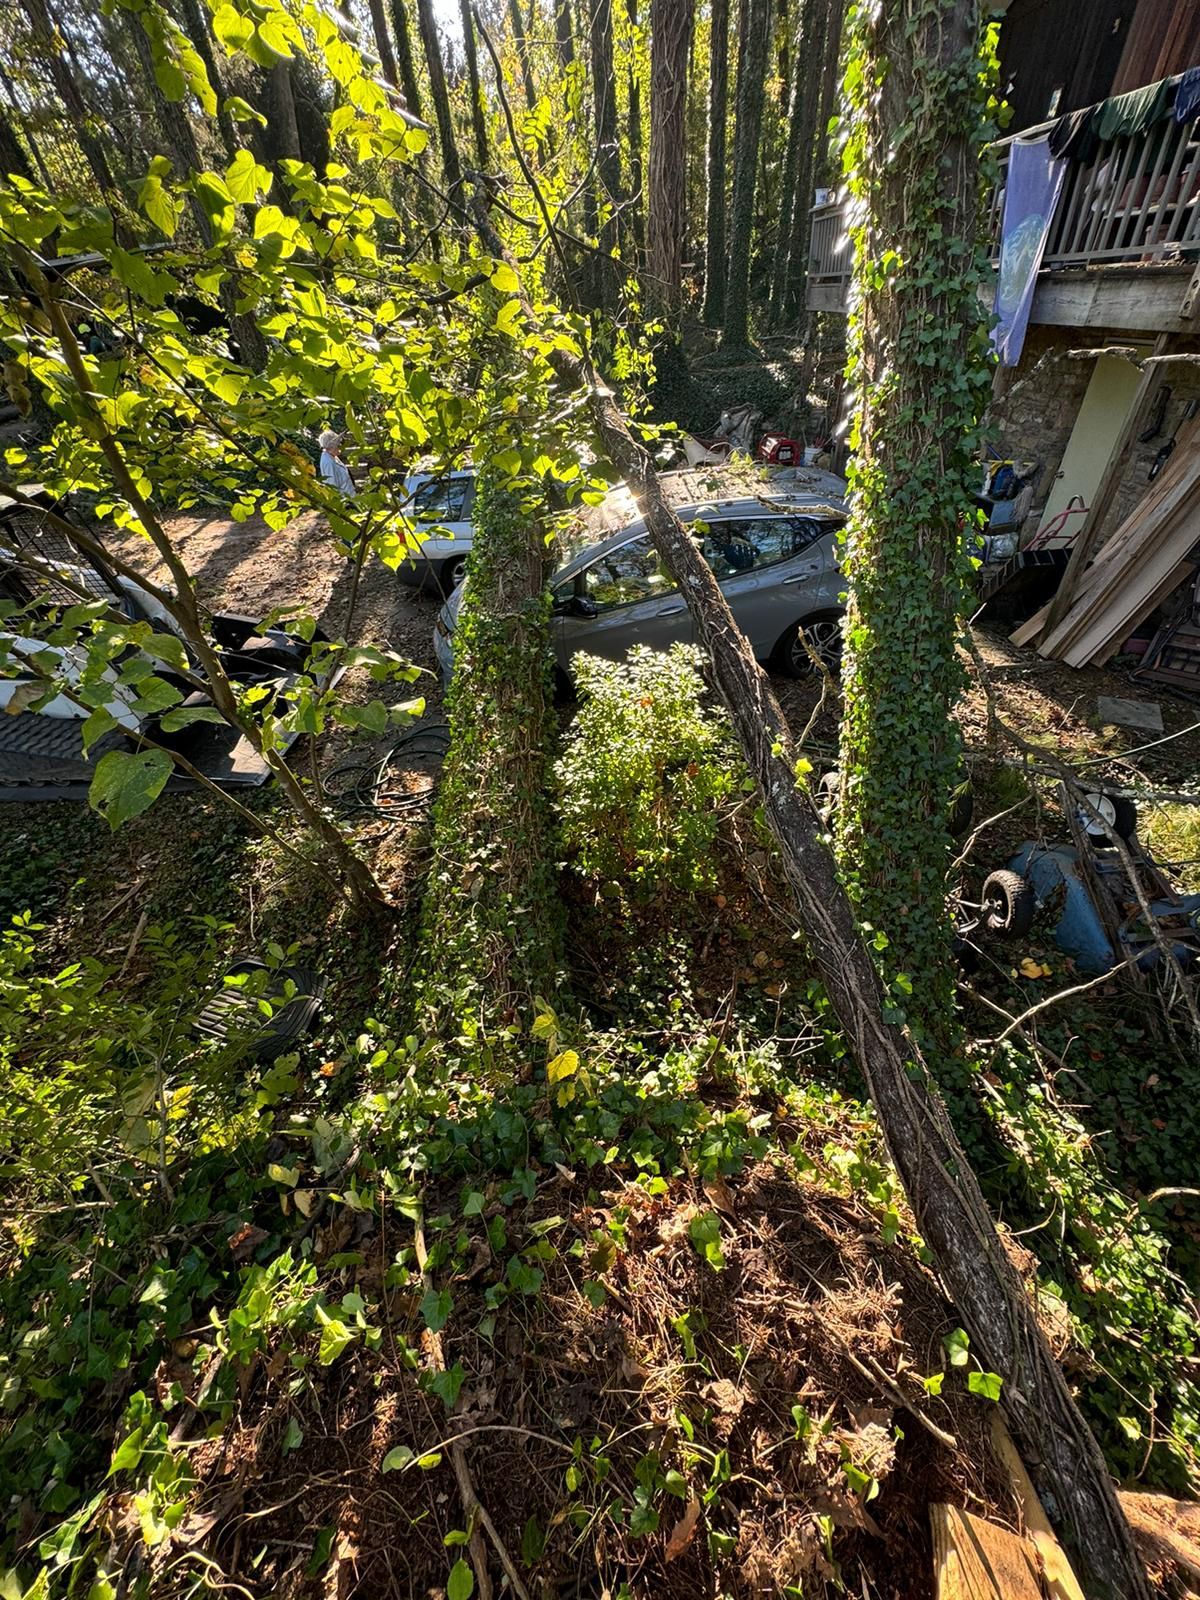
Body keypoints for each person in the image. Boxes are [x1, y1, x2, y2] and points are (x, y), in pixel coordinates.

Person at [318, 429, 356, 497]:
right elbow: (332, 486)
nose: (340, 445)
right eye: (338, 444)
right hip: (345, 500)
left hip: (350, 497)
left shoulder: (332, 456)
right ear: (332, 446)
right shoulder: (328, 462)